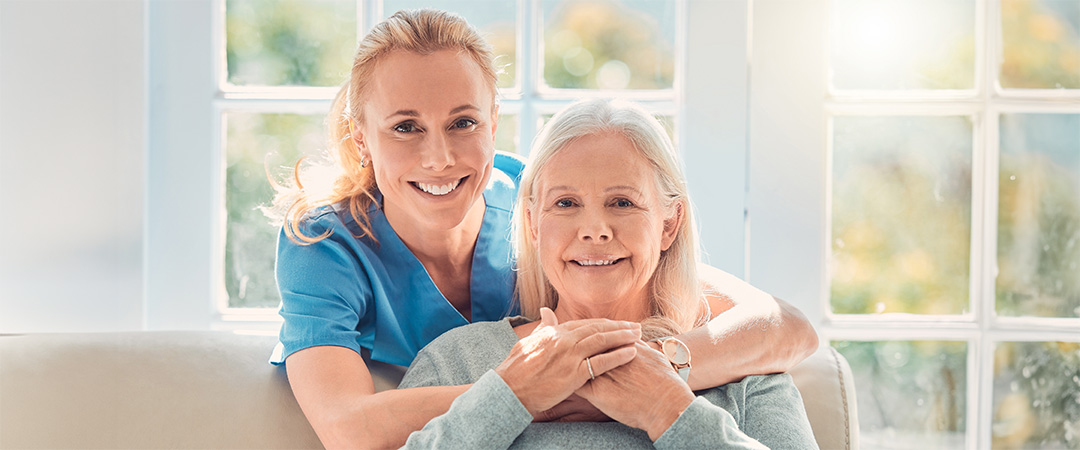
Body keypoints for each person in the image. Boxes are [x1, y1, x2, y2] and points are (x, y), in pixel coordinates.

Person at [267, 9, 817, 449]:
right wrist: (528, 391)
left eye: (463, 122)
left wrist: (664, 385)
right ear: (362, 138)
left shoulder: (534, 193)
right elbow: (348, 428)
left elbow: (783, 324)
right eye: (406, 127)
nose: (439, 157)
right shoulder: (327, 248)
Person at [398, 98, 819, 449]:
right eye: (565, 203)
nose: (594, 229)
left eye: (622, 202)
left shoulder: (744, 371)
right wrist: (508, 398)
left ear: (668, 225)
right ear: (532, 224)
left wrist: (669, 411)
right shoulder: (457, 361)